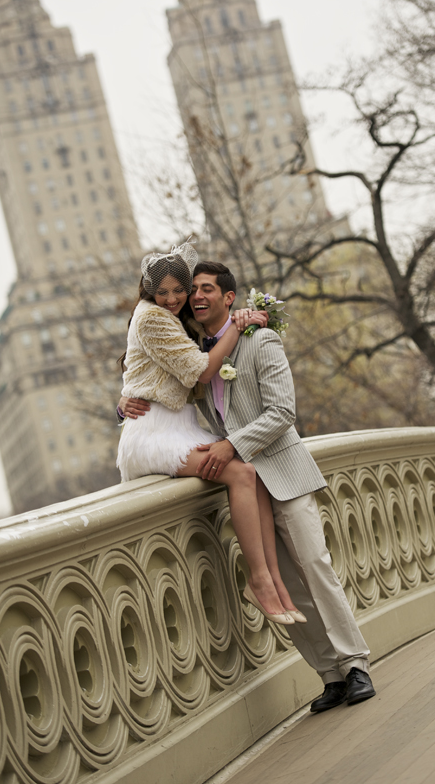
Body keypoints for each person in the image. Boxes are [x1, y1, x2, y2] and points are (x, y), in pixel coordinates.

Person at [120, 259, 376, 713]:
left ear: (228, 297)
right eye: (190, 290)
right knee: (287, 588)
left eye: (205, 289)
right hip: (247, 487)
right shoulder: (194, 347)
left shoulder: (260, 339)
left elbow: (282, 414)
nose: (196, 297)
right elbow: (157, 382)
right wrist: (123, 404)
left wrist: (231, 446)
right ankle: (329, 675)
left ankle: (356, 665)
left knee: (314, 568)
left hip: (282, 473)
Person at [117, 244, 301, 625]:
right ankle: (261, 581)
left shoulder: (177, 318)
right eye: (161, 292)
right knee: (240, 472)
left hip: (179, 425)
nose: (171, 299)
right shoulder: (151, 317)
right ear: (148, 289)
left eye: (177, 291)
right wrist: (237, 326)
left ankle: (274, 582)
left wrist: (240, 318)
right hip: (154, 432)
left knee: (251, 473)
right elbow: (202, 371)